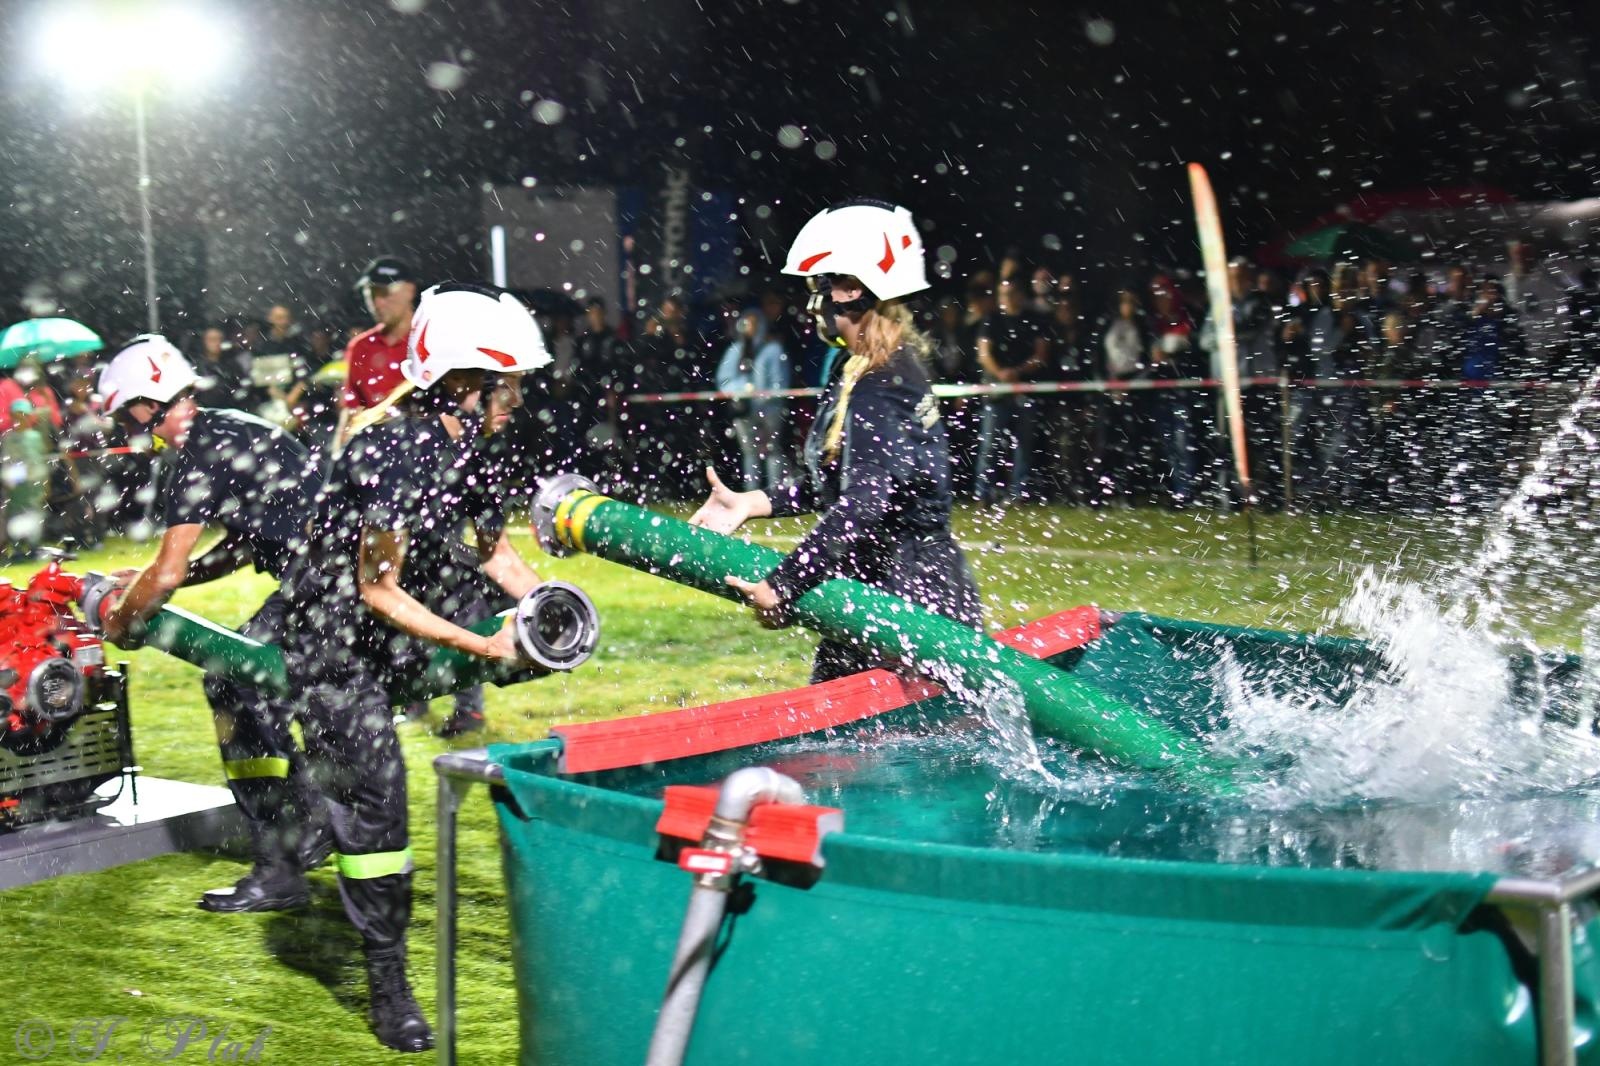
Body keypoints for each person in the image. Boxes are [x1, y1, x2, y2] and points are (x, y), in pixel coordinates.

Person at [279, 283, 550, 1051]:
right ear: (466, 383)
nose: (519, 398)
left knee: (368, 788)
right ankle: (386, 976)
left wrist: (552, 602)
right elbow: (375, 587)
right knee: (380, 802)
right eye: (510, 383)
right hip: (332, 642)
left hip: (387, 628)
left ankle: (318, 808)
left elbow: (494, 552)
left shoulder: (476, 452)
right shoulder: (388, 452)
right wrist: (486, 648)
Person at [690, 200, 981, 683]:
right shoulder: (859, 370)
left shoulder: (880, 382)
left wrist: (783, 585)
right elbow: (832, 483)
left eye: (821, 287)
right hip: (881, 590)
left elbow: (863, 504)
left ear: (853, 290)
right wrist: (751, 502)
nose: (814, 302)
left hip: (910, 602)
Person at [95, 335, 330, 912]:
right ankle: (316, 823)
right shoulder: (230, 427)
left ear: (145, 403)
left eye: (128, 410)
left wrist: (124, 618)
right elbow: (246, 545)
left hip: (323, 591)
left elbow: (169, 571)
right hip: (339, 584)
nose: (130, 423)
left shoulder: (199, 453)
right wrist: (151, 579)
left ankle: (281, 862)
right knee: (256, 687)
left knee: (231, 682)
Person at [715, 307, 792, 490]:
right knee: (750, 452)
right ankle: (752, 491)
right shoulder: (736, 350)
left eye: (754, 323)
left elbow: (779, 382)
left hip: (770, 410)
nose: (750, 328)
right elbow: (724, 380)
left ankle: (775, 492)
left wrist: (762, 397)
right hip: (745, 410)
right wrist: (743, 391)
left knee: (772, 450)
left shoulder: (773, 350)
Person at [1, 399, 49, 560]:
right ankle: (16, 548)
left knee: (34, 513)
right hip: (16, 484)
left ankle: (33, 546)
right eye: (16, 416)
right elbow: (7, 461)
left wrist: (44, 482)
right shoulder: (8, 438)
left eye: (22, 415)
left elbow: (40, 460)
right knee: (15, 513)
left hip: (34, 483)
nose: (19, 419)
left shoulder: (35, 437)